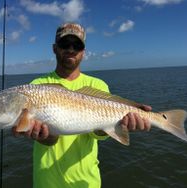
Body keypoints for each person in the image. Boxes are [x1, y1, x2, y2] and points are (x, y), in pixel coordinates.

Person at [12, 23, 152, 188]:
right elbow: (47, 139)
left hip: (87, 182)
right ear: (54, 48)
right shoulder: (38, 86)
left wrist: (125, 123)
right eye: (65, 44)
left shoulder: (98, 85)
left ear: (83, 51)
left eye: (77, 45)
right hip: (47, 183)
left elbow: (100, 133)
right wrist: (46, 137)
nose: (71, 49)